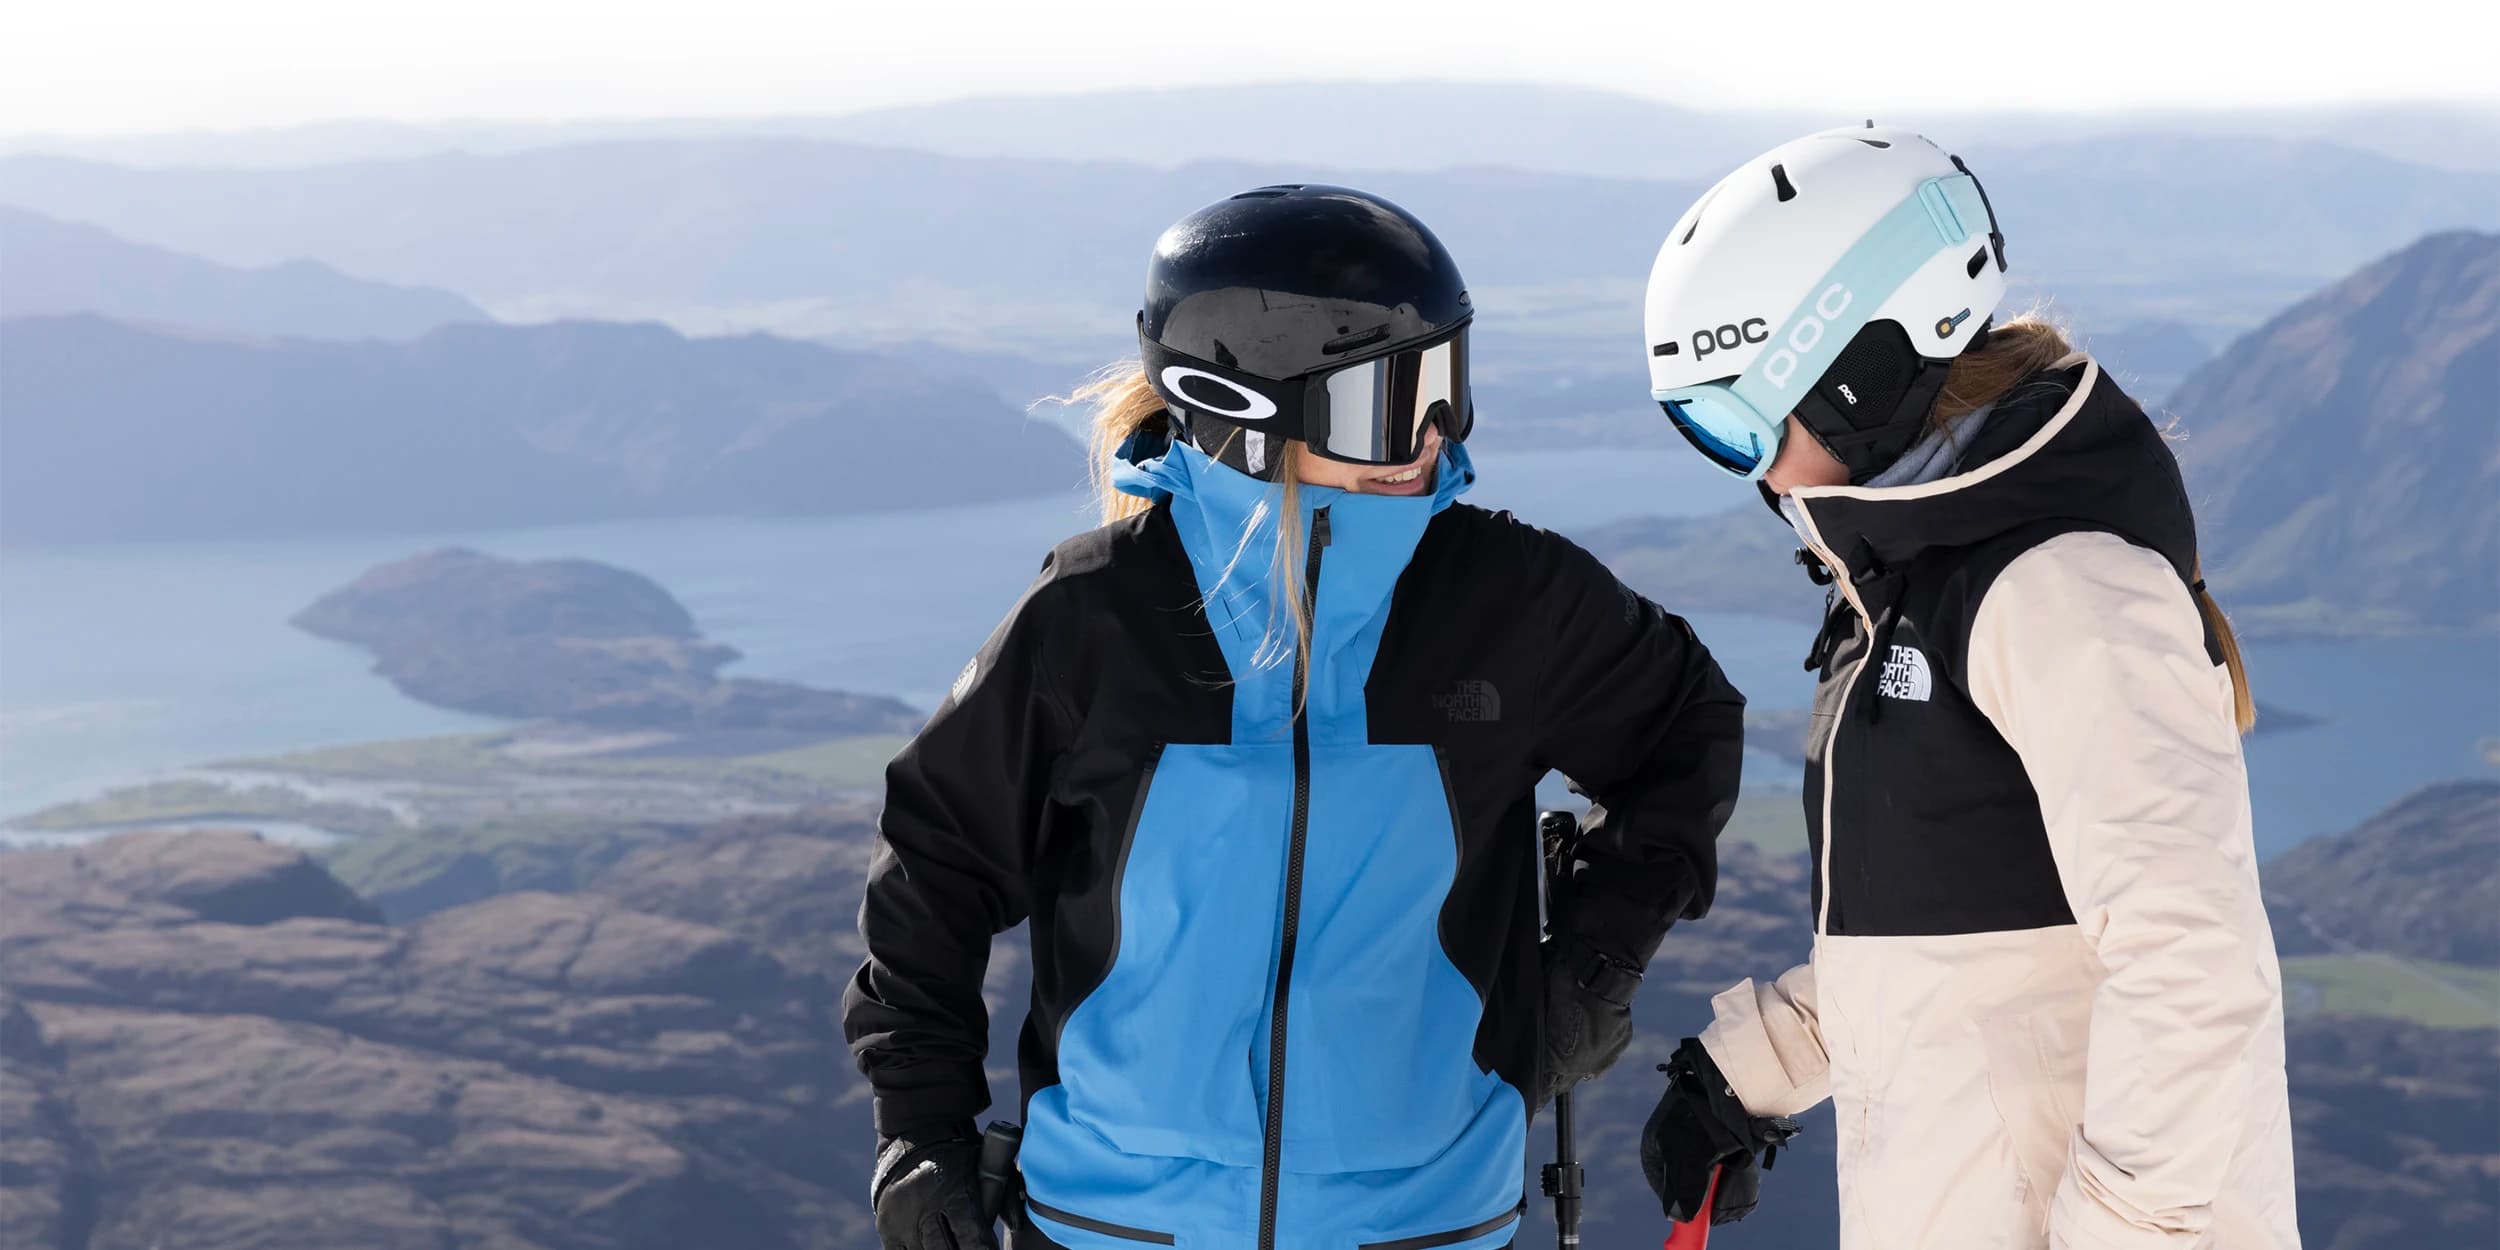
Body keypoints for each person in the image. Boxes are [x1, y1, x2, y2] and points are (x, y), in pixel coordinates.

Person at [844, 184, 1747, 1250]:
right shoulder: (1099, 616)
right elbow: (934, 863)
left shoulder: (1504, 596)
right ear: (1244, 412)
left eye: (1444, 387)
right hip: (1112, 1221)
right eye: (1387, 400)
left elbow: (1685, 726)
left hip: (1428, 1220)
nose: (1429, 434)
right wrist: (920, 1128)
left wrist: (1596, 955)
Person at [1632, 126, 2299, 1250]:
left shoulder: (2059, 588)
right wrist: (1756, 1064)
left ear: (1859, 373)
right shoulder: (1917, 581)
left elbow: (2192, 957)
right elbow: (1971, 954)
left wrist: (2123, 1231)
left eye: (1739, 418)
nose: (1753, 471)